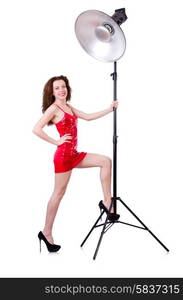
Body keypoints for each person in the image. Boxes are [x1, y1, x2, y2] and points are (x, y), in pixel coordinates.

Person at [32, 75, 119, 253]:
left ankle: (107, 202)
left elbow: (87, 117)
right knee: (59, 193)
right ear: (52, 92)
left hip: (74, 155)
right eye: (57, 88)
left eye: (63, 86)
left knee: (105, 161)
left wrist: (109, 109)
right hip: (63, 156)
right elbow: (36, 129)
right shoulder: (53, 109)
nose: (61, 90)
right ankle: (46, 232)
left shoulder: (68, 107)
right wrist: (56, 141)